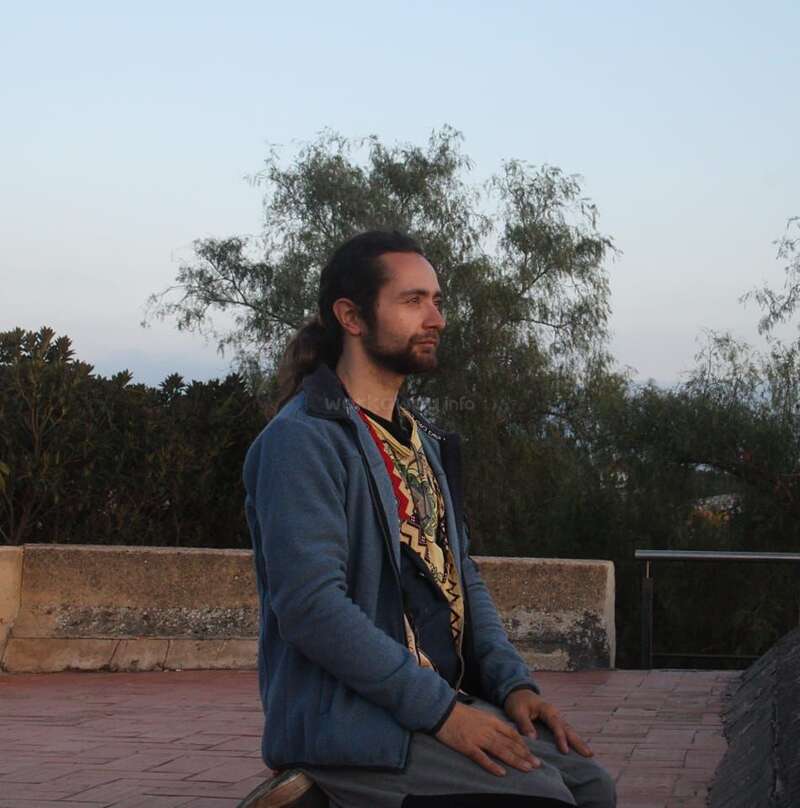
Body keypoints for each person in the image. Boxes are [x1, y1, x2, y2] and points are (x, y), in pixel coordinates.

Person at [242, 230, 617, 808]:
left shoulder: (423, 440)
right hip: (352, 721)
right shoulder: (303, 441)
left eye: (437, 300)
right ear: (352, 316)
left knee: (593, 787)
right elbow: (311, 609)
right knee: (544, 799)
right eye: (413, 301)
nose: (436, 317)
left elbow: (459, 573)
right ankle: (318, 789)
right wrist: (444, 714)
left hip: (434, 700)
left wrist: (511, 682)